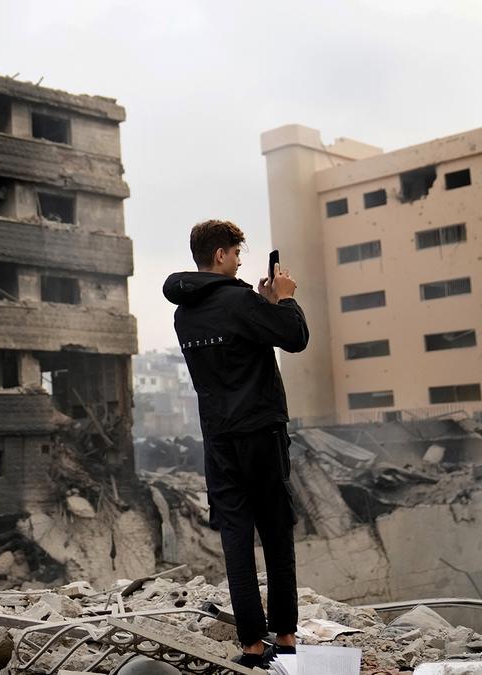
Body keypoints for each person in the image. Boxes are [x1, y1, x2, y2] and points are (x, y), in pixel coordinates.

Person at [162, 219, 309, 668]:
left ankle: (250, 646)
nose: (242, 261)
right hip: (261, 433)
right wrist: (283, 298)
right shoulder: (239, 300)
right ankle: (284, 637)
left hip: (219, 440)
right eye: (237, 253)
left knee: (235, 540)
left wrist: (261, 305)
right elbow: (295, 338)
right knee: (276, 533)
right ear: (221, 255)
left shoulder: (183, 312)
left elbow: (241, 339)